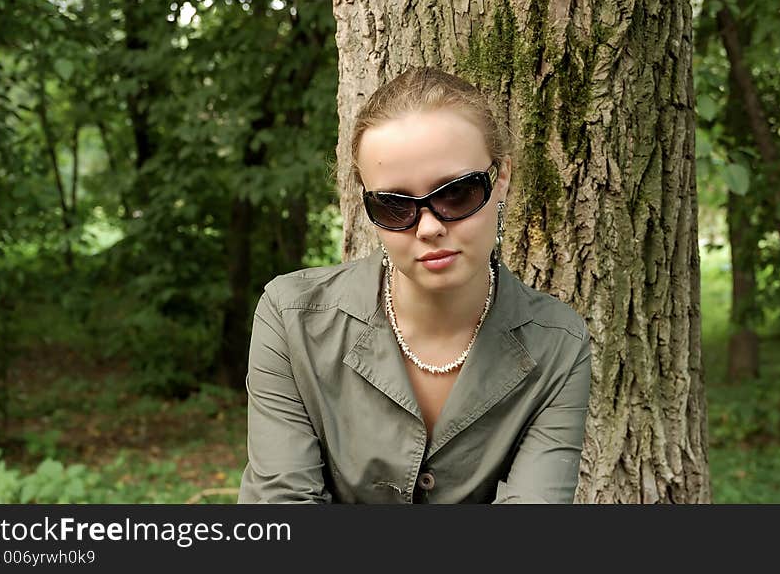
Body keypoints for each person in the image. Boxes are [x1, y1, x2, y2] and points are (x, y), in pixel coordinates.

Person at [237, 67, 591, 504]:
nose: (428, 227)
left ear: (501, 179)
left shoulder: (557, 343)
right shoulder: (291, 319)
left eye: (456, 193)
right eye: (394, 205)